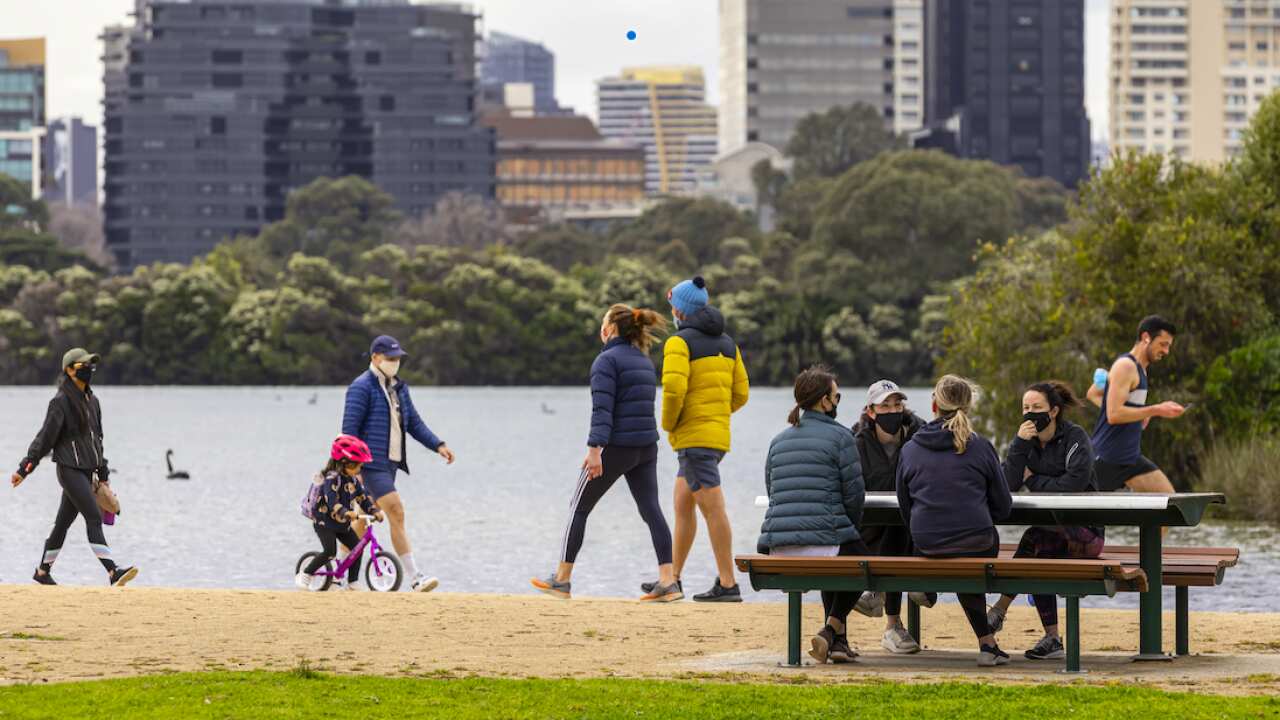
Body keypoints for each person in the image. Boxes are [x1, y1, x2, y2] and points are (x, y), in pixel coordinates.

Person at [531, 304, 680, 602]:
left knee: (578, 507)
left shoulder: (606, 362)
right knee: (651, 509)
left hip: (615, 447)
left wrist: (594, 451)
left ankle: (562, 579)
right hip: (646, 447)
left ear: (610, 329)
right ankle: (668, 581)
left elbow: (602, 410)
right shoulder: (643, 360)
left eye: (602, 323)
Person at [896, 374, 1013, 666]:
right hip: (977, 543)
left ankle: (987, 643)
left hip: (928, 544)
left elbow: (904, 507)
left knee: (956, 549)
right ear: (969, 406)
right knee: (968, 550)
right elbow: (1003, 506)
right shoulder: (981, 446)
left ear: (934, 405)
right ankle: (987, 645)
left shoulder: (909, 449)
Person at [987, 381, 1103, 660]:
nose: (1030, 413)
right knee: (1039, 544)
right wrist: (1018, 444)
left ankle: (1001, 609)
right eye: (1025, 408)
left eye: (1036, 408)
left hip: (1086, 535)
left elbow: (1073, 484)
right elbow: (1008, 484)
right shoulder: (1025, 443)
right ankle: (1051, 638)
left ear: (1053, 411)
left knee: (1035, 541)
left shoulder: (1075, 438)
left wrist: (1034, 479)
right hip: (1049, 535)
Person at [759, 366, 865, 664]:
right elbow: (854, 498)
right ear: (824, 401)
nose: (837, 401)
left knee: (837, 551)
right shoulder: (842, 437)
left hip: (779, 549)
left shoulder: (778, 441)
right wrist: (849, 527)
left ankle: (838, 642)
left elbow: (772, 490)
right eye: (836, 396)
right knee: (862, 560)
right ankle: (831, 630)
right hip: (824, 546)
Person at [10, 348, 138, 587]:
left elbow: (97, 441)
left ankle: (42, 571)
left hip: (88, 472)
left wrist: (103, 474)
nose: (88, 369)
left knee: (62, 524)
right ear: (69, 370)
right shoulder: (60, 403)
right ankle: (113, 572)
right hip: (69, 470)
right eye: (83, 366)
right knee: (93, 517)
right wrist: (24, 468)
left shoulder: (93, 401)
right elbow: (44, 439)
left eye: (91, 365)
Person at [660, 276, 750, 602]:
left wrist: (670, 425)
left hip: (693, 439)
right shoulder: (728, 344)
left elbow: (673, 390)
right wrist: (715, 414)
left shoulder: (678, 343)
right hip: (716, 438)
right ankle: (672, 579)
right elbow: (741, 394)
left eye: (672, 306)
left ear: (681, 311)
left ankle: (728, 584)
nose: (671, 311)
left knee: (713, 508)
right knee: (683, 503)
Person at [342, 335, 456, 593]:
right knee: (396, 510)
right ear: (375, 358)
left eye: (397, 359)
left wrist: (438, 445)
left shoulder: (398, 388)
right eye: (390, 358)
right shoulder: (361, 387)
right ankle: (415, 577)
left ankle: (343, 576)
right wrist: (352, 471)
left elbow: (414, 423)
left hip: (390, 464)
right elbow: (348, 433)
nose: (395, 363)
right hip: (368, 465)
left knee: (360, 520)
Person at [850, 379, 933, 654]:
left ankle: (885, 602)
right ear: (871, 411)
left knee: (899, 525)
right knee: (889, 528)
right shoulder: (856, 442)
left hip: (912, 529)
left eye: (897, 404)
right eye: (884, 406)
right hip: (871, 531)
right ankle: (892, 621)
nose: (892, 410)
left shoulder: (920, 435)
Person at [1087, 315, 1185, 495]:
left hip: (1130, 458)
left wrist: (1141, 414)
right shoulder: (1126, 366)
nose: (1166, 351)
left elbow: (1093, 393)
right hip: (1108, 458)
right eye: (1163, 344)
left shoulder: (1142, 369)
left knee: (1169, 506)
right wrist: (1156, 409)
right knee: (1076, 521)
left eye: (1169, 346)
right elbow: (1114, 414)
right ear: (1146, 337)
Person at [296, 435, 385, 591]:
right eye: (357, 465)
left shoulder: (353, 480)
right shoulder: (331, 478)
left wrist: (373, 510)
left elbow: (362, 497)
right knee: (330, 552)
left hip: (342, 524)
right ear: (345, 463)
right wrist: (345, 512)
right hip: (325, 523)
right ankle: (306, 573)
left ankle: (353, 582)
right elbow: (331, 501)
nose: (360, 468)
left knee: (357, 548)